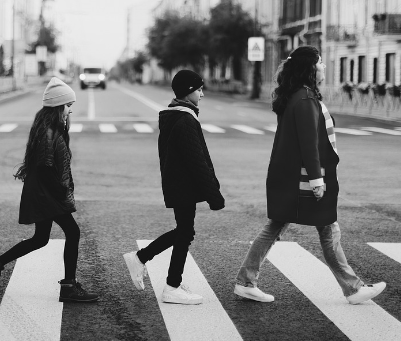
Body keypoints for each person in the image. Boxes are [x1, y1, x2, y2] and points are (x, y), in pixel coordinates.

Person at [233, 45, 386, 304]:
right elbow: (309, 143)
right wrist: (317, 179)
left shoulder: (298, 95)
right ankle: (354, 289)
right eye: (320, 62)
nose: (324, 66)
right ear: (310, 68)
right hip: (302, 179)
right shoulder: (305, 99)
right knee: (327, 228)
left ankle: (246, 281)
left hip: (292, 176)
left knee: (282, 226)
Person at [0, 77, 99, 303]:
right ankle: (68, 287)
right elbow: (45, 167)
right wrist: (61, 192)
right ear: (57, 106)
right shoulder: (48, 132)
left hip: (44, 193)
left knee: (40, 239)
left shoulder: (51, 129)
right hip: (47, 194)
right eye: (68, 106)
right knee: (72, 232)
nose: (70, 111)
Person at [123, 70, 225, 305]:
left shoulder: (177, 115)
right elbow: (197, 161)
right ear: (189, 92)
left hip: (179, 183)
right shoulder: (185, 120)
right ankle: (166, 282)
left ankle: (153, 268)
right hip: (184, 185)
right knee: (185, 232)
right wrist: (214, 195)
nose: (202, 94)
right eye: (199, 89)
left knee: (185, 231)